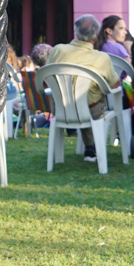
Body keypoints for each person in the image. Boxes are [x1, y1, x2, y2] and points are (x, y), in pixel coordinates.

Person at [48, 14, 123, 163]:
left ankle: (89, 147)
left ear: (76, 32)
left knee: (82, 99)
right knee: (92, 98)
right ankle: (91, 147)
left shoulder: (57, 50)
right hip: (91, 111)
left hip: (61, 108)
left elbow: (46, 76)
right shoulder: (102, 58)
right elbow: (115, 84)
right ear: (95, 36)